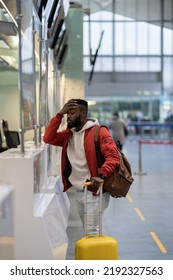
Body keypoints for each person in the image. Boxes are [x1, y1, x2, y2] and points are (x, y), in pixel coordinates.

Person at [43, 99, 120, 235]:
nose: (69, 116)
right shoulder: (69, 135)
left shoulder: (99, 132)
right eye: (67, 113)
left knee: (91, 232)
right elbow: (48, 138)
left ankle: (96, 256)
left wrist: (102, 175)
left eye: (72, 113)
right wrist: (59, 115)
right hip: (80, 190)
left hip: (95, 191)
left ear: (83, 113)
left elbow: (113, 157)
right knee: (87, 231)